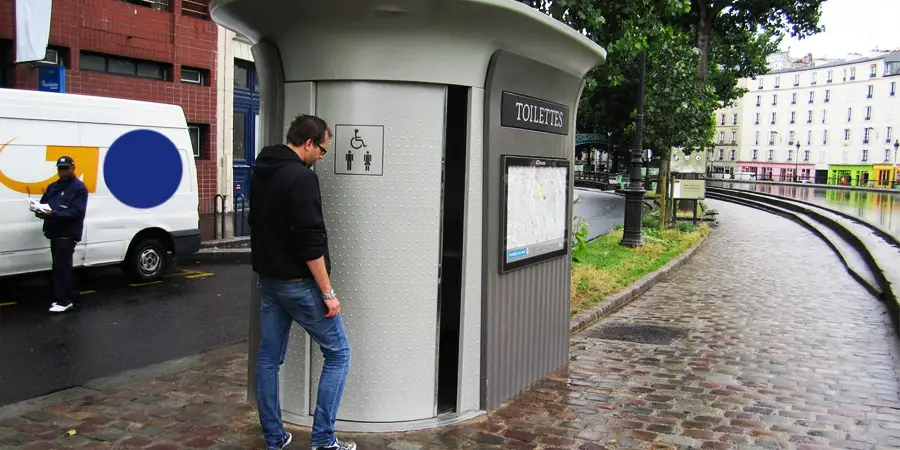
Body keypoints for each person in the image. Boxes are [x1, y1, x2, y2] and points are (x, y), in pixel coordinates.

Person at [248, 114, 355, 450]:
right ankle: (323, 439)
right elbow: (310, 243)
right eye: (322, 149)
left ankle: (275, 439)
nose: (322, 156)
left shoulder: (263, 169)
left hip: (269, 282)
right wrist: (328, 293)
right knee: (339, 354)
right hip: (299, 284)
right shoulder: (301, 178)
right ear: (308, 143)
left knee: (268, 359)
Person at [36, 156, 88, 313]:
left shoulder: (79, 188)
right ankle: (70, 297)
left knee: (62, 267)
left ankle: (65, 301)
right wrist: (40, 211)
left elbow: (77, 211)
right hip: (54, 232)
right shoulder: (53, 187)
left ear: (73, 168)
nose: (62, 171)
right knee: (60, 266)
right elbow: (44, 204)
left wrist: (54, 214)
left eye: (66, 168)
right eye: (60, 168)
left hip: (67, 233)